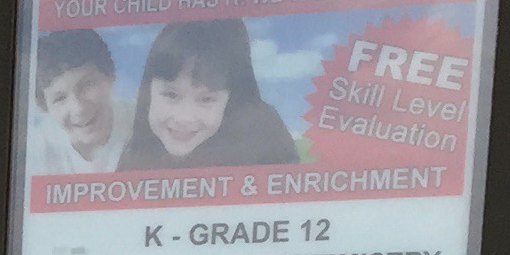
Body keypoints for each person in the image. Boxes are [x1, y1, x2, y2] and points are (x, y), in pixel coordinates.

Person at [118, 20, 303, 169]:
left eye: (206, 99)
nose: (184, 118)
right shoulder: (136, 155)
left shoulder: (266, 150)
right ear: (148, 92)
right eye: (171, 95)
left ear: (232, 101)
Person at [26, 28, 121, 175]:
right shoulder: (34, 150)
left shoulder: (146, 123)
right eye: (60, 99)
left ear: (110, 76)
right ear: (44, 106)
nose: (79, 108)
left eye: (87, 85)